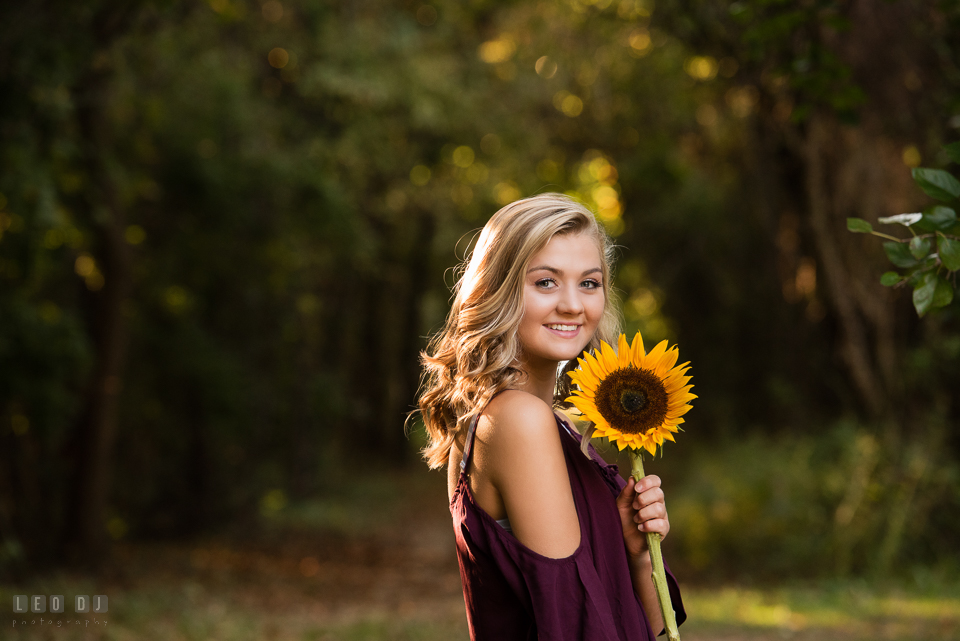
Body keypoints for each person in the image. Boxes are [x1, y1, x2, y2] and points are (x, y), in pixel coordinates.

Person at [416, 193, 685, 640]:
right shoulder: (518, 419)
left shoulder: (549, 423)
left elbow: (641, 626)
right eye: (545, 282)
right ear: (498, 291)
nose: (572, 305)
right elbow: (576, 624)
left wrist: (635, 554)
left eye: (589, 283)